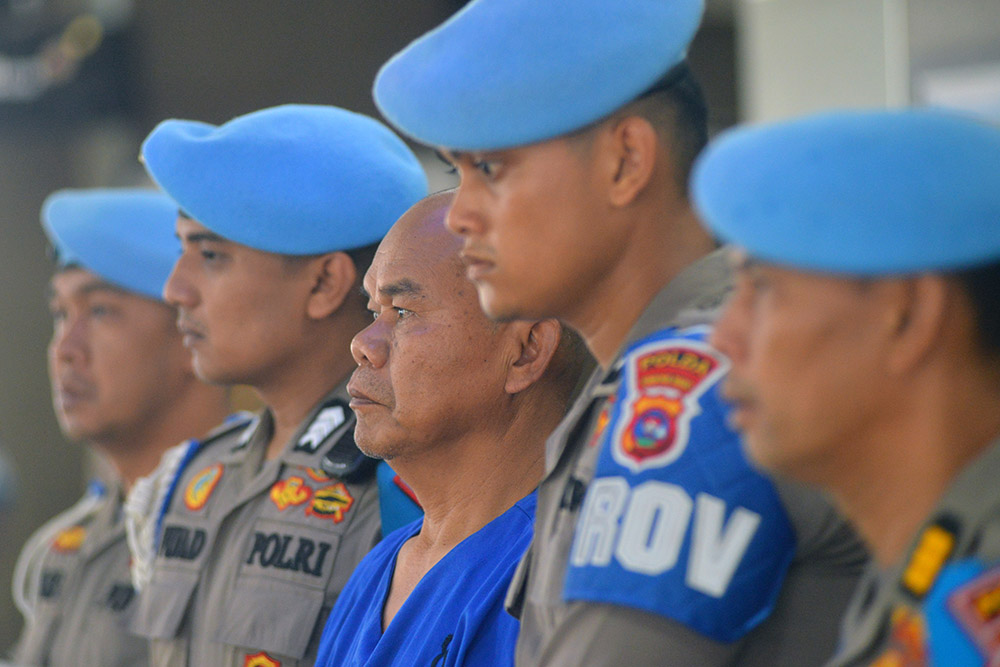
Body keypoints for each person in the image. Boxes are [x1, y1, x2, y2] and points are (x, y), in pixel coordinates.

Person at [371, 0, 869, 664]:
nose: (459, 214)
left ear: (625, 161)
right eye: (457, 172)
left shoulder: (695, 391)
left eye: (490, 169)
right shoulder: (637, 383)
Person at [694, 108, 1000, 666]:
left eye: (762, 289)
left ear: (908, 316)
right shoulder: (926, 564)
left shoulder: (977, 600)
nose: (723, 338)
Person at [125, 104, 428, 667]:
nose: (174, 289)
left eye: (210, 255)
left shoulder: (408, 481)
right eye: (181, 249)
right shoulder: (192, 479)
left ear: (324, 283)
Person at [315, 190, 592, 665]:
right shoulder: (378, 571)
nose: (363, 344)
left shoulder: (567, 575)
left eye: (402, 312)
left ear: (526, 351)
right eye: (372, 312)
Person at [11, 188, 231, 666]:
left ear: (191, 329)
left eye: (101, 311)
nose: (65, 349)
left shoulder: (237, 530)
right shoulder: (64, 544)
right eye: (60, 315)